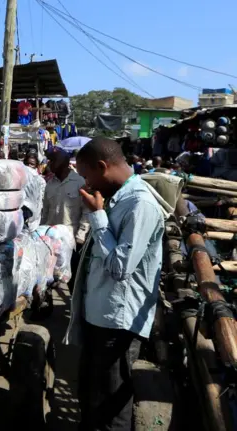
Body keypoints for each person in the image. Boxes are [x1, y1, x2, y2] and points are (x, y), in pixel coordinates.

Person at [65, 137, 164, 431]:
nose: (86, 182)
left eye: (87, 175)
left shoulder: (139, 205)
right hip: (100, 314)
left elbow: (121, 267)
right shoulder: (118, 198)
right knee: (91, 393)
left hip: (117, 322)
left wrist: (97, 215)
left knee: (110, 402)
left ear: (102, 167)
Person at [41, 148, 90, 289]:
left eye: (53, 160)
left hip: (73, 242)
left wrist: (81, 236)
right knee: (49, 278)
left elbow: (86, 212)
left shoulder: (79, 182)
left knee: (73, 282)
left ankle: (75, 310)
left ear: (64, 162)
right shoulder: (50, 184)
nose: (49, 164)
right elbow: (45, 212)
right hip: (51, 242)